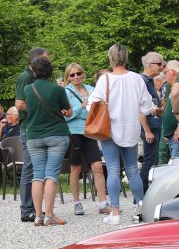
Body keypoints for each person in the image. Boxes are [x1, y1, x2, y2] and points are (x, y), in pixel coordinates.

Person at [87, 44, 154, 224]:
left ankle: (115, 212)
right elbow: (146, 107)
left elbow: (92, 105)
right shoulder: (137, 78)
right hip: (130, 128)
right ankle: (141, 208)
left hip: (108, 130)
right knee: (132, 170)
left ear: (110, 58)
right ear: (126, 58)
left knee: (113, 169)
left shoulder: (105, 79)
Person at [21, 53, 71, 226]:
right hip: (56, 135)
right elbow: (68, 111)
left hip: (34, 137)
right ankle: (49, 216)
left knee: (37, 176)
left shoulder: (28, 90)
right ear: (50, 71)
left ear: (34, 71)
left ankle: (38, 216)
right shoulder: (58, 89)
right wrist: (63, 111)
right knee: (51, 175)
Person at [63, 63, 106, 216]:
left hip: (90, 131)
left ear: (83, 74)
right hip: (74, 133)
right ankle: (76, 203)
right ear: (68, 77)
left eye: (79, 73)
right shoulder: (66, 92)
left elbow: (98, 109)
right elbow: (65, 116)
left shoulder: (92, 89)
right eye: (72, 75)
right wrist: (80, 108)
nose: (76, 77)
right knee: (75, 168)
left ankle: (103, 203)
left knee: (98, 166)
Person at [14, 47, 50, 222]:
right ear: (36, 60)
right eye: (46, 59)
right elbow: (20, 104)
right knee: (29, 169)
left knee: (37, 169)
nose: (49, 62)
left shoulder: (36, 77)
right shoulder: (25, 77)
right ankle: (27, 210)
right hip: (28, 129)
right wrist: (41, 108)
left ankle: (35, 208)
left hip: (37, 129)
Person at [140, 52, 166, 189]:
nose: (162, 67)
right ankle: (142, 194)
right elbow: (140, 108)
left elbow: (150, 106)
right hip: (149, 127)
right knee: (149, 161)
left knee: (153, 160)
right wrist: (147, 131)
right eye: (160, 64)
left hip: (155, 125)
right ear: (149, 64)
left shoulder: (150, 81)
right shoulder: (142, 81)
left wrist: (160, 110)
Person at [158, 60, 179, 163]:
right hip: (172, 134)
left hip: (178, 136)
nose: (164, 75)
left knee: (176, 165)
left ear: (172, 72)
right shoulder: (170, 87)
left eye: (165, 72)